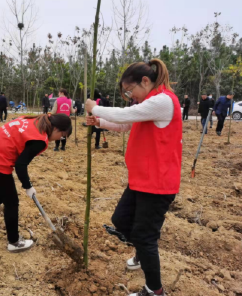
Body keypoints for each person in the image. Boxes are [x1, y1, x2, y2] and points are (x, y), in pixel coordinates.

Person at [85, 58, 181, 296]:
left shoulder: (163, 101)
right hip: (142, 179)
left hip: (157, 183)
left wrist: (93, 107)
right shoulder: (150, 102)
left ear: (145, 81)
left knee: (145, 236)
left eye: (130, 91)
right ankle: (142, 252)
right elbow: (125, 124)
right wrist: (99, 122)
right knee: (121, 220)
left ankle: (154, 291)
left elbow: (125, 114)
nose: (130, 97)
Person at [0, 114, 72, 252]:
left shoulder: (35, 120)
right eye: (62, 136)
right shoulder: (39, 139)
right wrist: (28, 186)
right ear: (57, 129)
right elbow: (21, 164)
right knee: (12, 202)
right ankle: (14, 242)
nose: (60, 139)